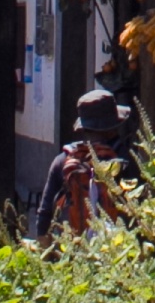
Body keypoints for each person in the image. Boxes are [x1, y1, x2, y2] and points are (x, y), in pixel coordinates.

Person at [39, 90, 130, 240]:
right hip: (115, 251)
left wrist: (44, 250)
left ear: (83, 128)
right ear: (113, 127)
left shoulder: (63, 161)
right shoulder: (124, 161)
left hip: (73, 249)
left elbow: (44, 213)